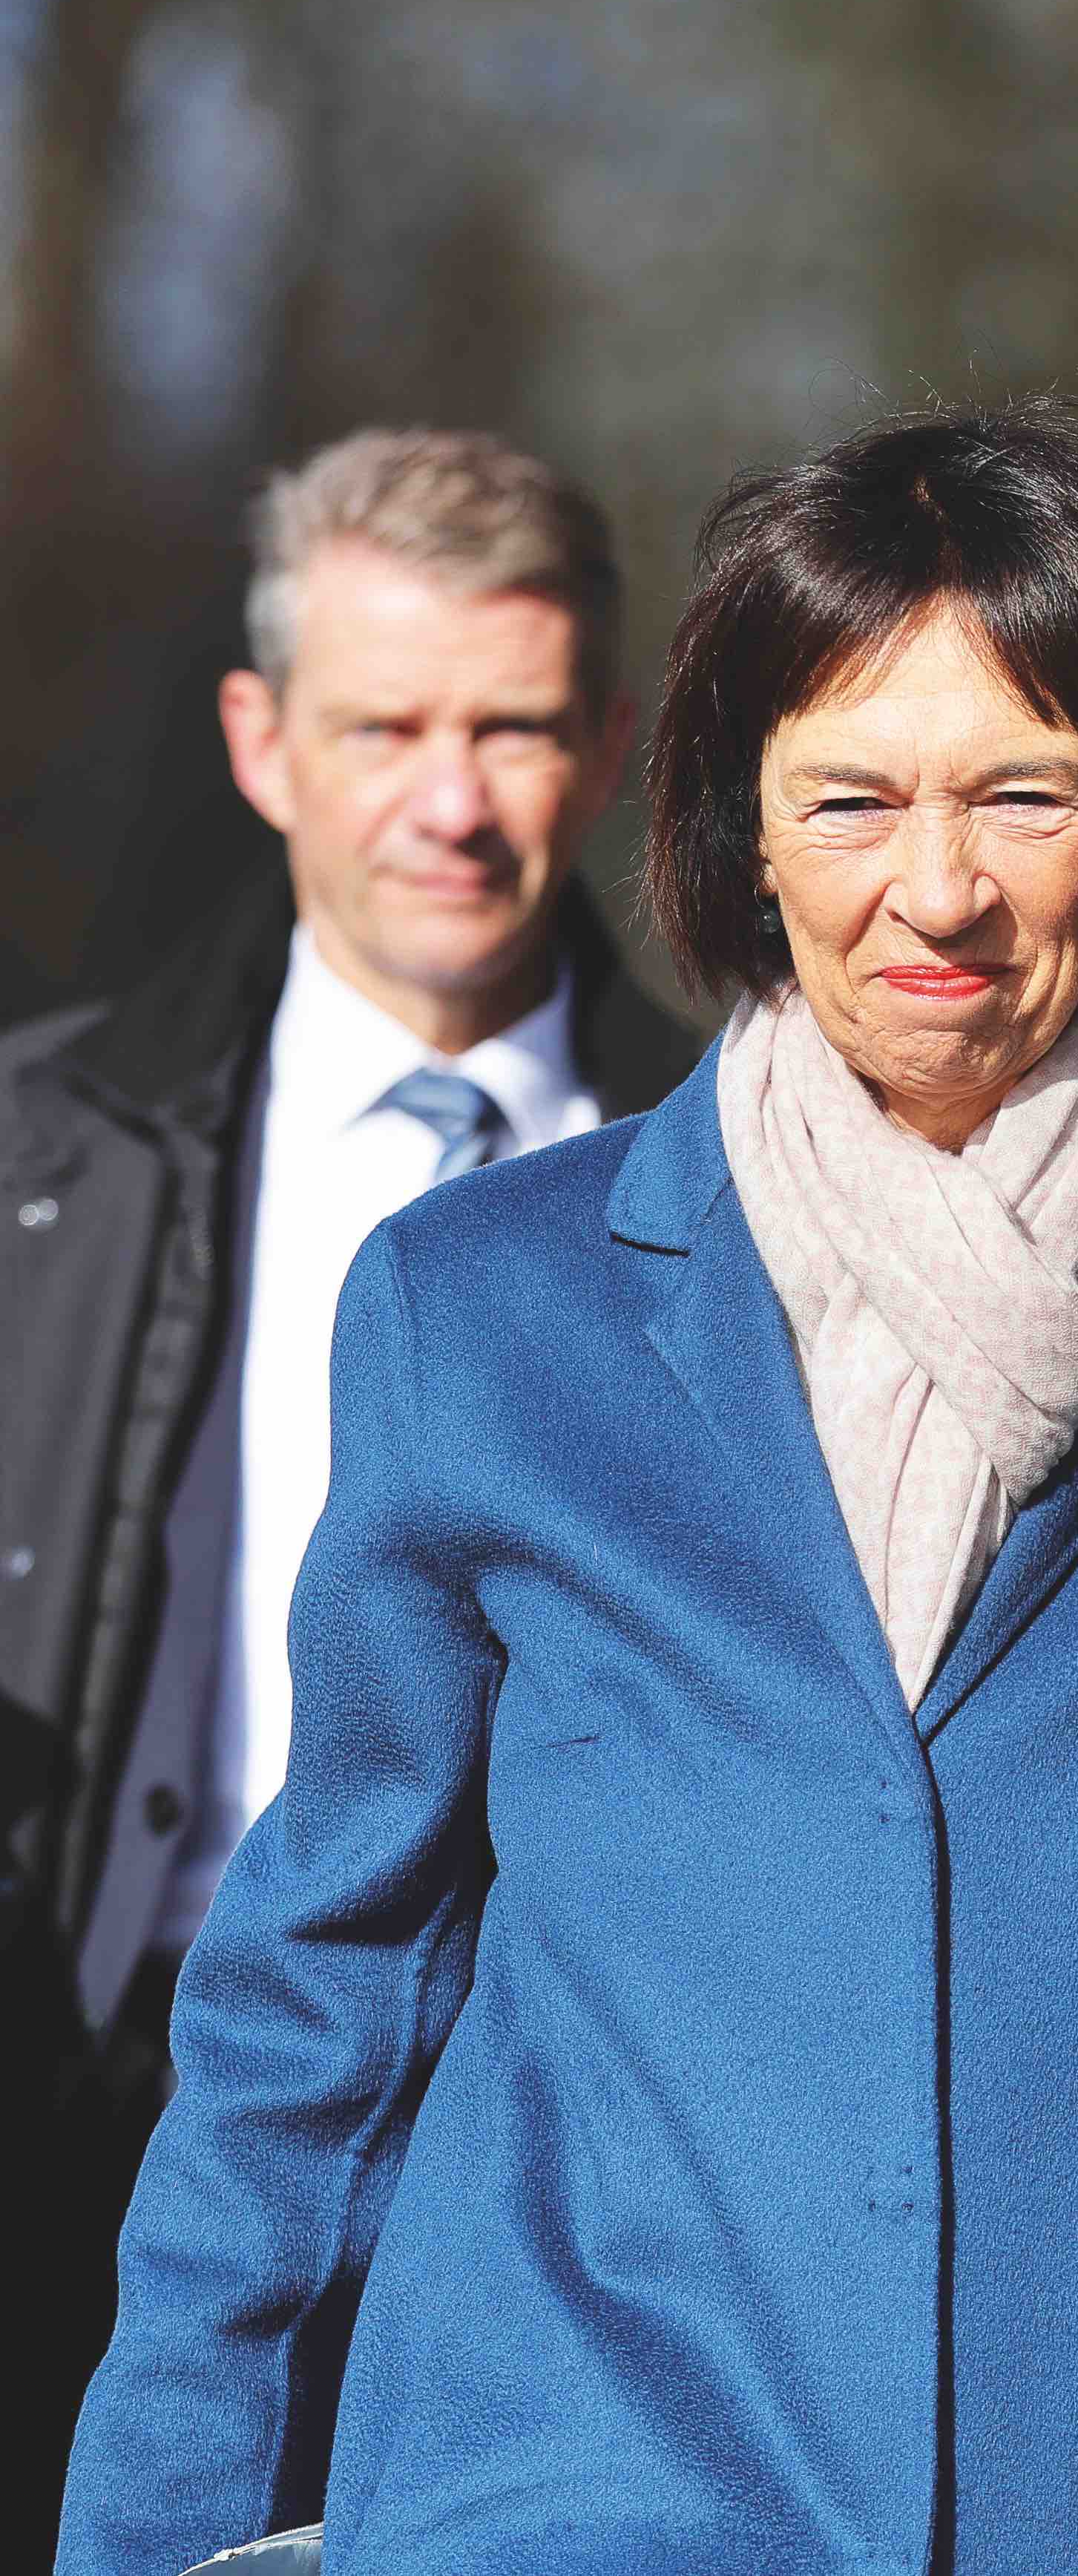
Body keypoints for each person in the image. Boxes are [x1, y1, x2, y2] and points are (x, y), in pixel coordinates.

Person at [58, 400, 1078, 2576]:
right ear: (742, 830)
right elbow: (314, 2007)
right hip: (563, 2503)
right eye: (854, 797)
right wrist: (155, 2533)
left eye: (1024, 793)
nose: (940, 889)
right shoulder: (482, 1313)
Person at [0, 427, 689, 2557]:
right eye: (387, 725)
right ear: (260, 739)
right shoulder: (36, 1161)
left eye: (511, 725)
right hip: (79, 2112)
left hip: (555, 2170)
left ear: (609, 735)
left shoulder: (756, 1177)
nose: (454, 801)